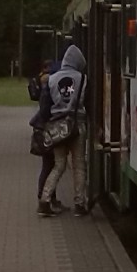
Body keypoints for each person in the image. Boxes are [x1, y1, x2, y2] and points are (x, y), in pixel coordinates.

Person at [38, 45, 88, 217]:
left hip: (57, 127)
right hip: (77, 127)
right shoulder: (82, 78)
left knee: (59, 165)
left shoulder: (51, 79)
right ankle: (80, 204)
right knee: (79, 165)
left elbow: (45, 107)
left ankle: (44, 201)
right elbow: (88, 103)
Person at [29, 62, 63, 214]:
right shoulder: (48, 89)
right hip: (46, 131)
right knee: (49, 165)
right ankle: (44, 199)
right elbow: (45, 111)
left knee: (49, 165)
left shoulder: (46, 86)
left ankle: (49, 198)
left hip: (43, 129)